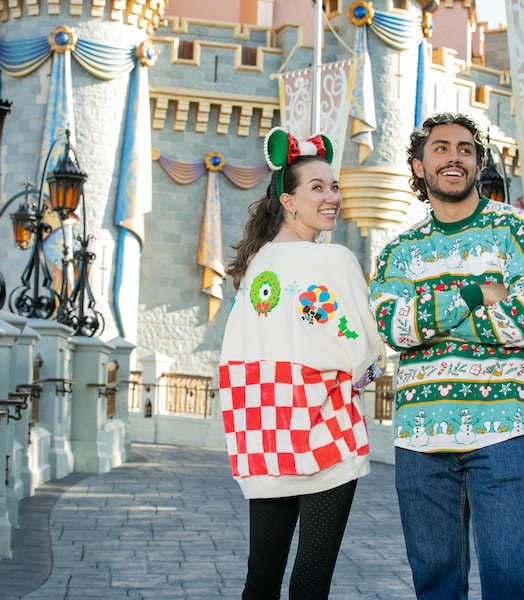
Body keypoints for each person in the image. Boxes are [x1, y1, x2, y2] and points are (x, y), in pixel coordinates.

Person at [368, 112, 524, 599]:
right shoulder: (399, 252)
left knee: (509, 577)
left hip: (504, 428)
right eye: (441, 148)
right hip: (421, 431)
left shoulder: (517, 232)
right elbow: (394, 327)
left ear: (478, 163)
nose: (454, 156)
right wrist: (476, 292)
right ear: (418, 165)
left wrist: (431, 320)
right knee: (434, 583)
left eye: (466, 149)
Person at [219, 127, 386, 600]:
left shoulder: (254, 267)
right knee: (311, 581)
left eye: (334, 186)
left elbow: (236, 357)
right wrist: (363, 368)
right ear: (288, 201)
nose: (331, 196)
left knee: (262, 577)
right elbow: (365, 352)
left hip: (264, 435)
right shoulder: (333, 260)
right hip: (325, 431)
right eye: (317, 187)